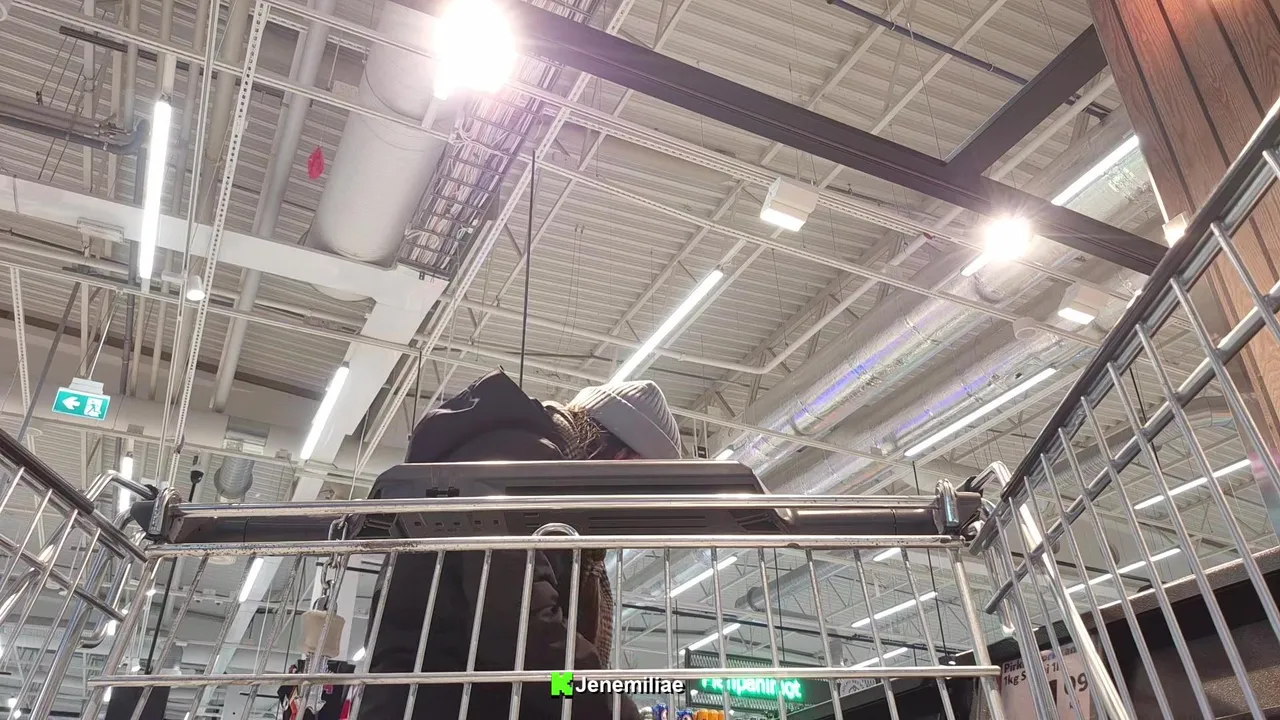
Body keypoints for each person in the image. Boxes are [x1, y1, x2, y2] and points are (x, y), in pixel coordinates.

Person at [361, 370, 682, 720]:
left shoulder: (529, 468)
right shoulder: (519, 464)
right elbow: (519, 630)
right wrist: (615, 709)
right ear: (622, 461)